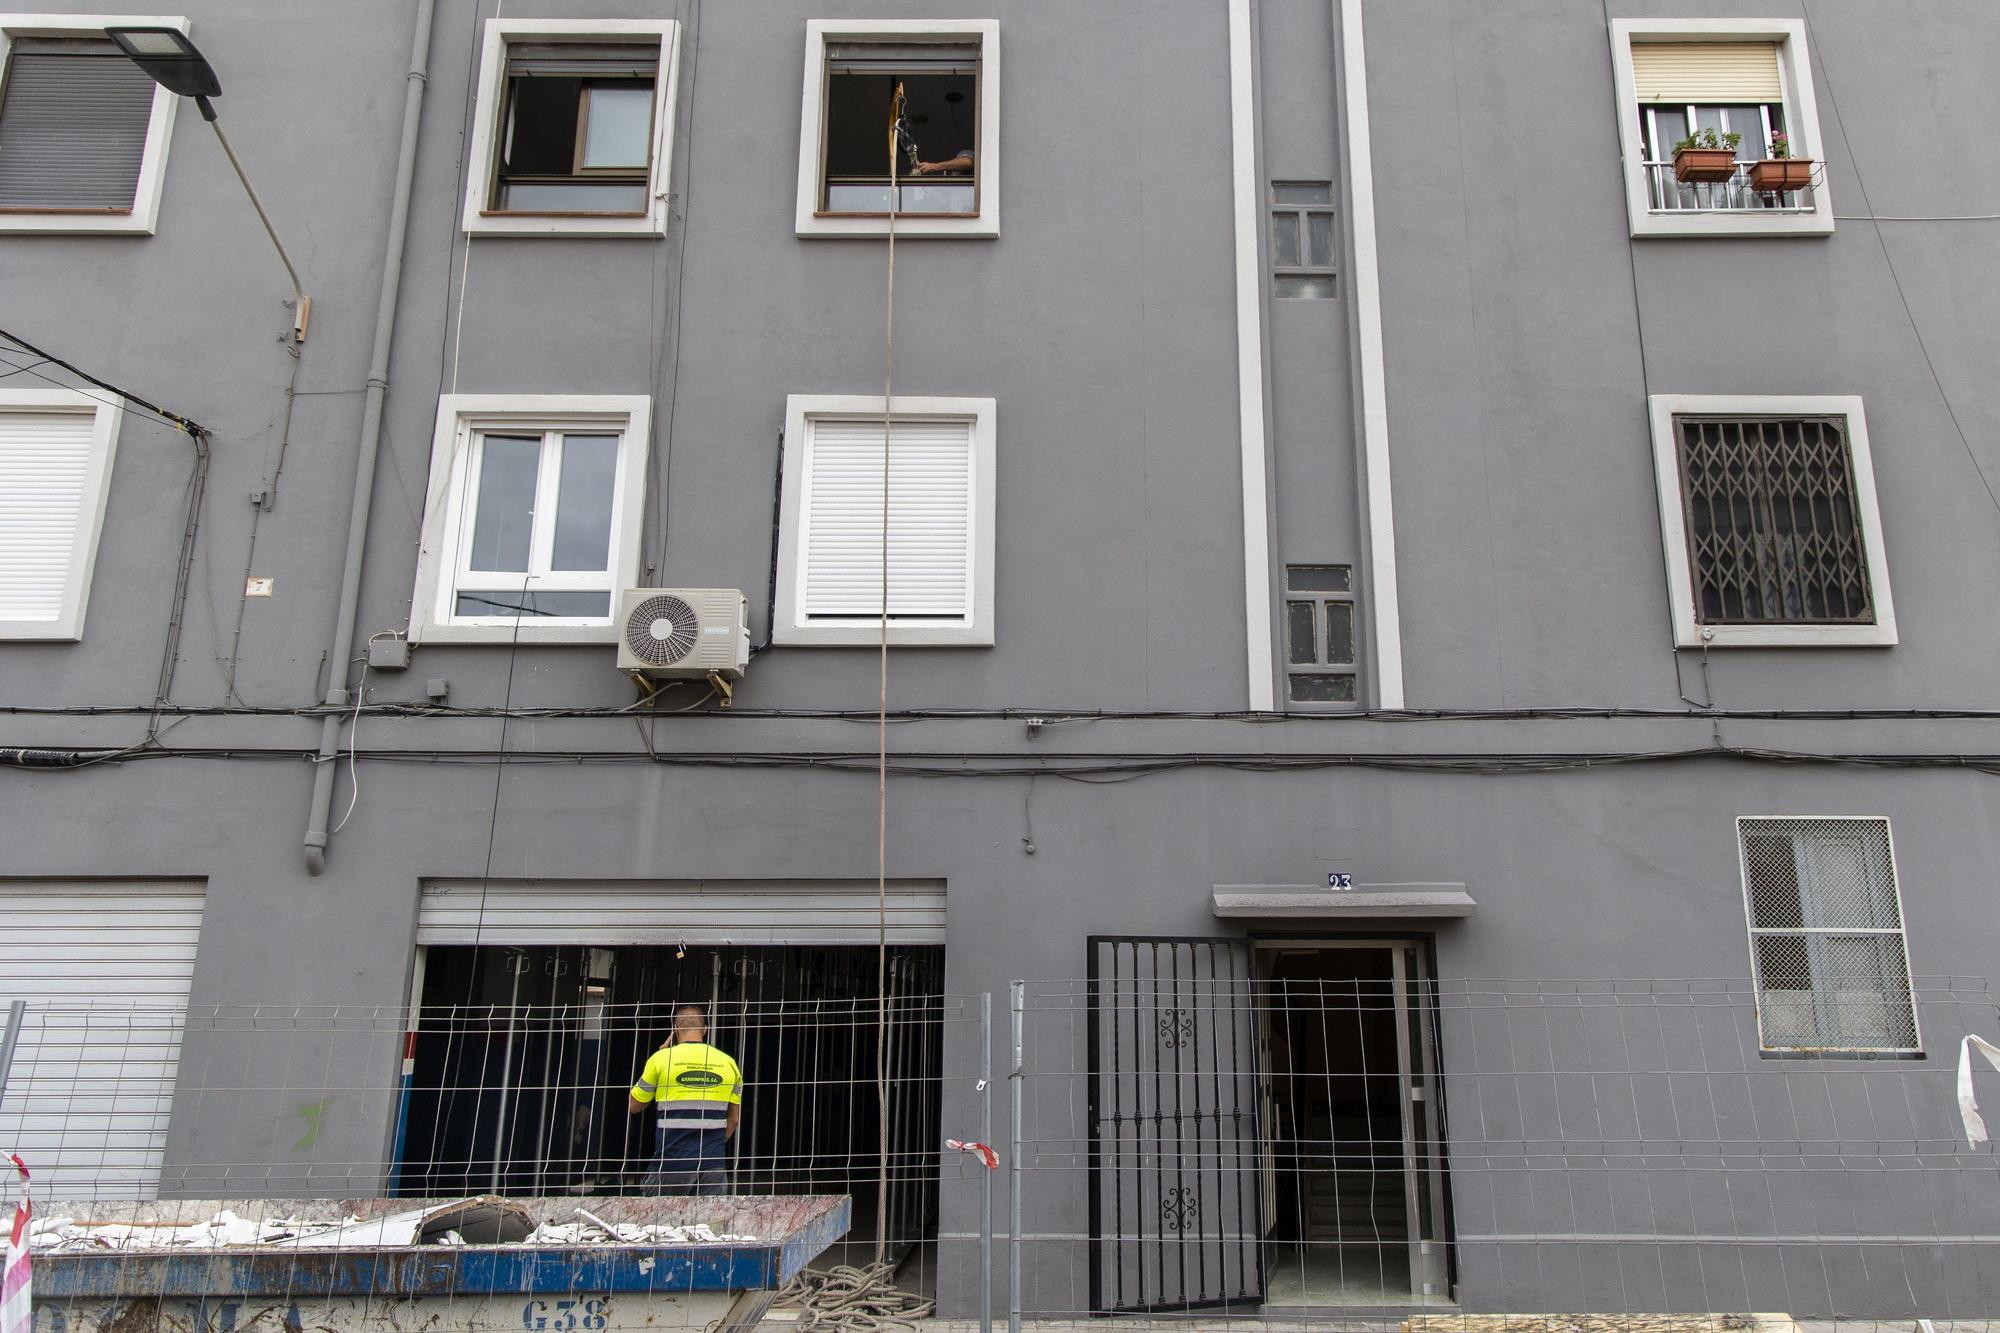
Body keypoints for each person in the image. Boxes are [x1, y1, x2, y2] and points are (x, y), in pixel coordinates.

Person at [628, 1005, 742, 1196]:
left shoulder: (661, 1059)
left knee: (661, 1222)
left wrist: (660, 1054)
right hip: (712, 1163)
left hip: (672, 1162)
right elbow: (734, 1119)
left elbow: (634, 1105)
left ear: (675, 1029)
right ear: (705, 1029)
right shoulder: (729, 1063)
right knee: (708, 1222)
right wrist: (710, 1146)